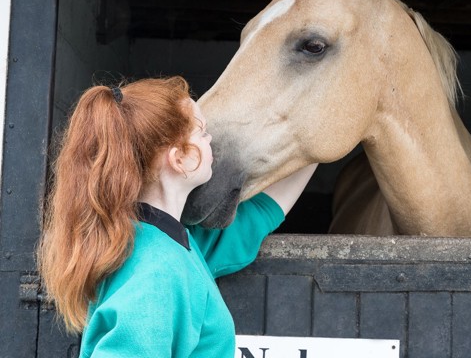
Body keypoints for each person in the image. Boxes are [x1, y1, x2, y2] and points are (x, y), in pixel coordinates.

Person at [37, 76, 317, 358]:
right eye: (203, 133)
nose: (211, 142)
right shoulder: (156, 273)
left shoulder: (161, 242)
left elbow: (257, 217)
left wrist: (322, 140)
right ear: (179, 159)